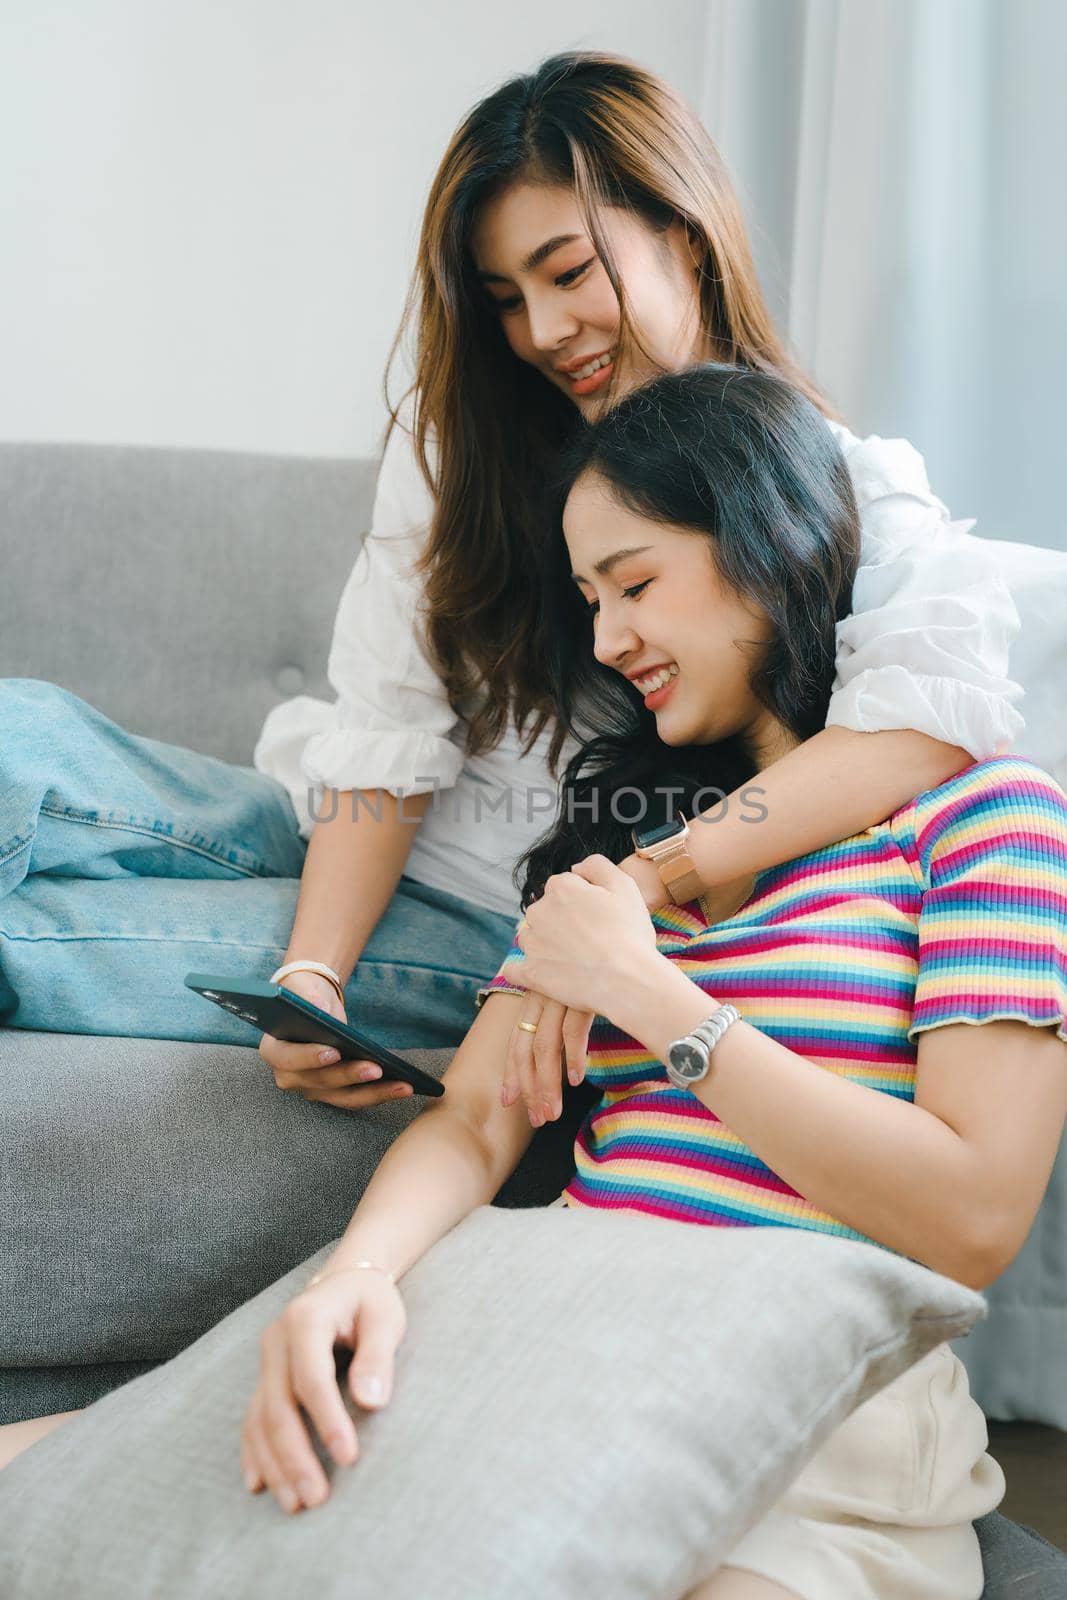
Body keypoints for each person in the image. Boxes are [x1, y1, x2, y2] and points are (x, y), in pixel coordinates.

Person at [5, 367, 1064, 1600]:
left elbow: (973, 1216)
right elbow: (471, 1116)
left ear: (764, 540)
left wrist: (657, 1001)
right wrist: (356, 1279)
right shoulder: (607, 860)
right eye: (588, 598)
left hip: (809, 1427)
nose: (607, 639)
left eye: (635, 583)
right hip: (546, 1342)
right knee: (69, 1478)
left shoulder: (987, 817)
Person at [2, 49, 1064, 1121]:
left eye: (569, 272)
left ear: (683, 239)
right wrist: (311, 971)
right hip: (339, 830)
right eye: (507, 297)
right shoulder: (468, 455)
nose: (544, 332)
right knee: (15, 737)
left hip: (497, 917)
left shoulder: (837, 487)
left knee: (28, 937)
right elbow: (385, 728)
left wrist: (648, 877)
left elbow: (926, 713)